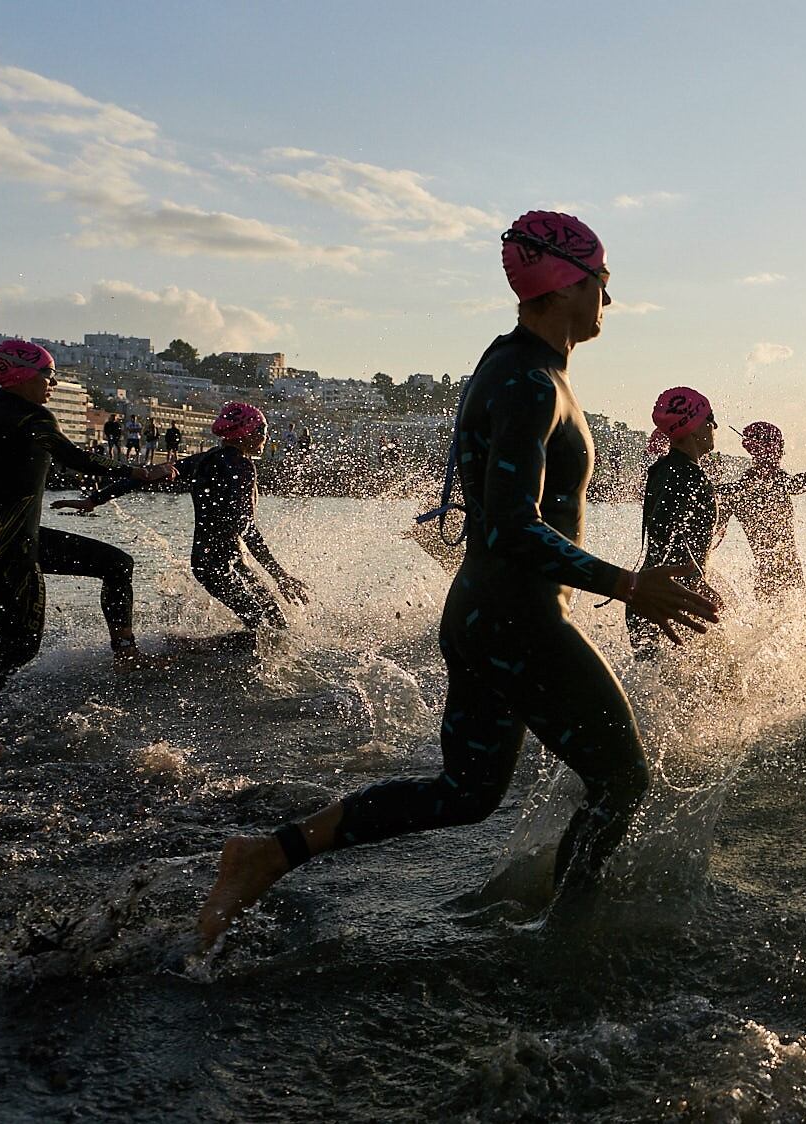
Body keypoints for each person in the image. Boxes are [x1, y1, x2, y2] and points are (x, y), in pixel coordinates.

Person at [197, 210, 717, 946]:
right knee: (622, 779)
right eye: (603, 281)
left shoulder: (522, 368)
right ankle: (563, 941)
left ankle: (263, 857)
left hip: (487, 615)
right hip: (518, 619)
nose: (609, 298)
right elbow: (509, 526)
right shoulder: (528, 381)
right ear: (566, 283)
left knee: (467, 793)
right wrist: (628, 585)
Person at [0, 341, 176, 697]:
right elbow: (79, 459)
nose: (52, 384)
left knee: (117, 564)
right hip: (13, 549)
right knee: (20, 647)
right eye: (49, 376)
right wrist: (138, 473)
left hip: (2, 541)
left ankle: (126, 653)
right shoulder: (33, 418)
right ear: (23, 376)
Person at [56, 402, 308, 634]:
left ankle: (200, 651)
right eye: (262, 429)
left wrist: (95, 499)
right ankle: (207, 655)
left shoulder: (205, 458)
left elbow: (145, 475)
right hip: (218, 565)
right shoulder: (240, 467)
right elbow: (246, 527)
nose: (266, 435)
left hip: (212, 562)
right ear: (245, 433)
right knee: (268, 625)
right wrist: (279, 575)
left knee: (269, 623)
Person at [627, 386, 722, 657]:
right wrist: (695, 585)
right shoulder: (689, 476)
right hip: (669, 600)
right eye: (709, 418)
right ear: (693, 426)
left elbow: (665, 537)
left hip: (651, 596)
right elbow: (665, 530)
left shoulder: (661, 470)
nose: (714, 426)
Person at [714, 421, 806, 599]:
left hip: (771, 569)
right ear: (766, 450)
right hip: (782, 568)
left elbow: (721, 505)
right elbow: (796, 485)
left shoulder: (745, 486)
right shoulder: (760, 482)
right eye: (779, 447)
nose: (782, 452)